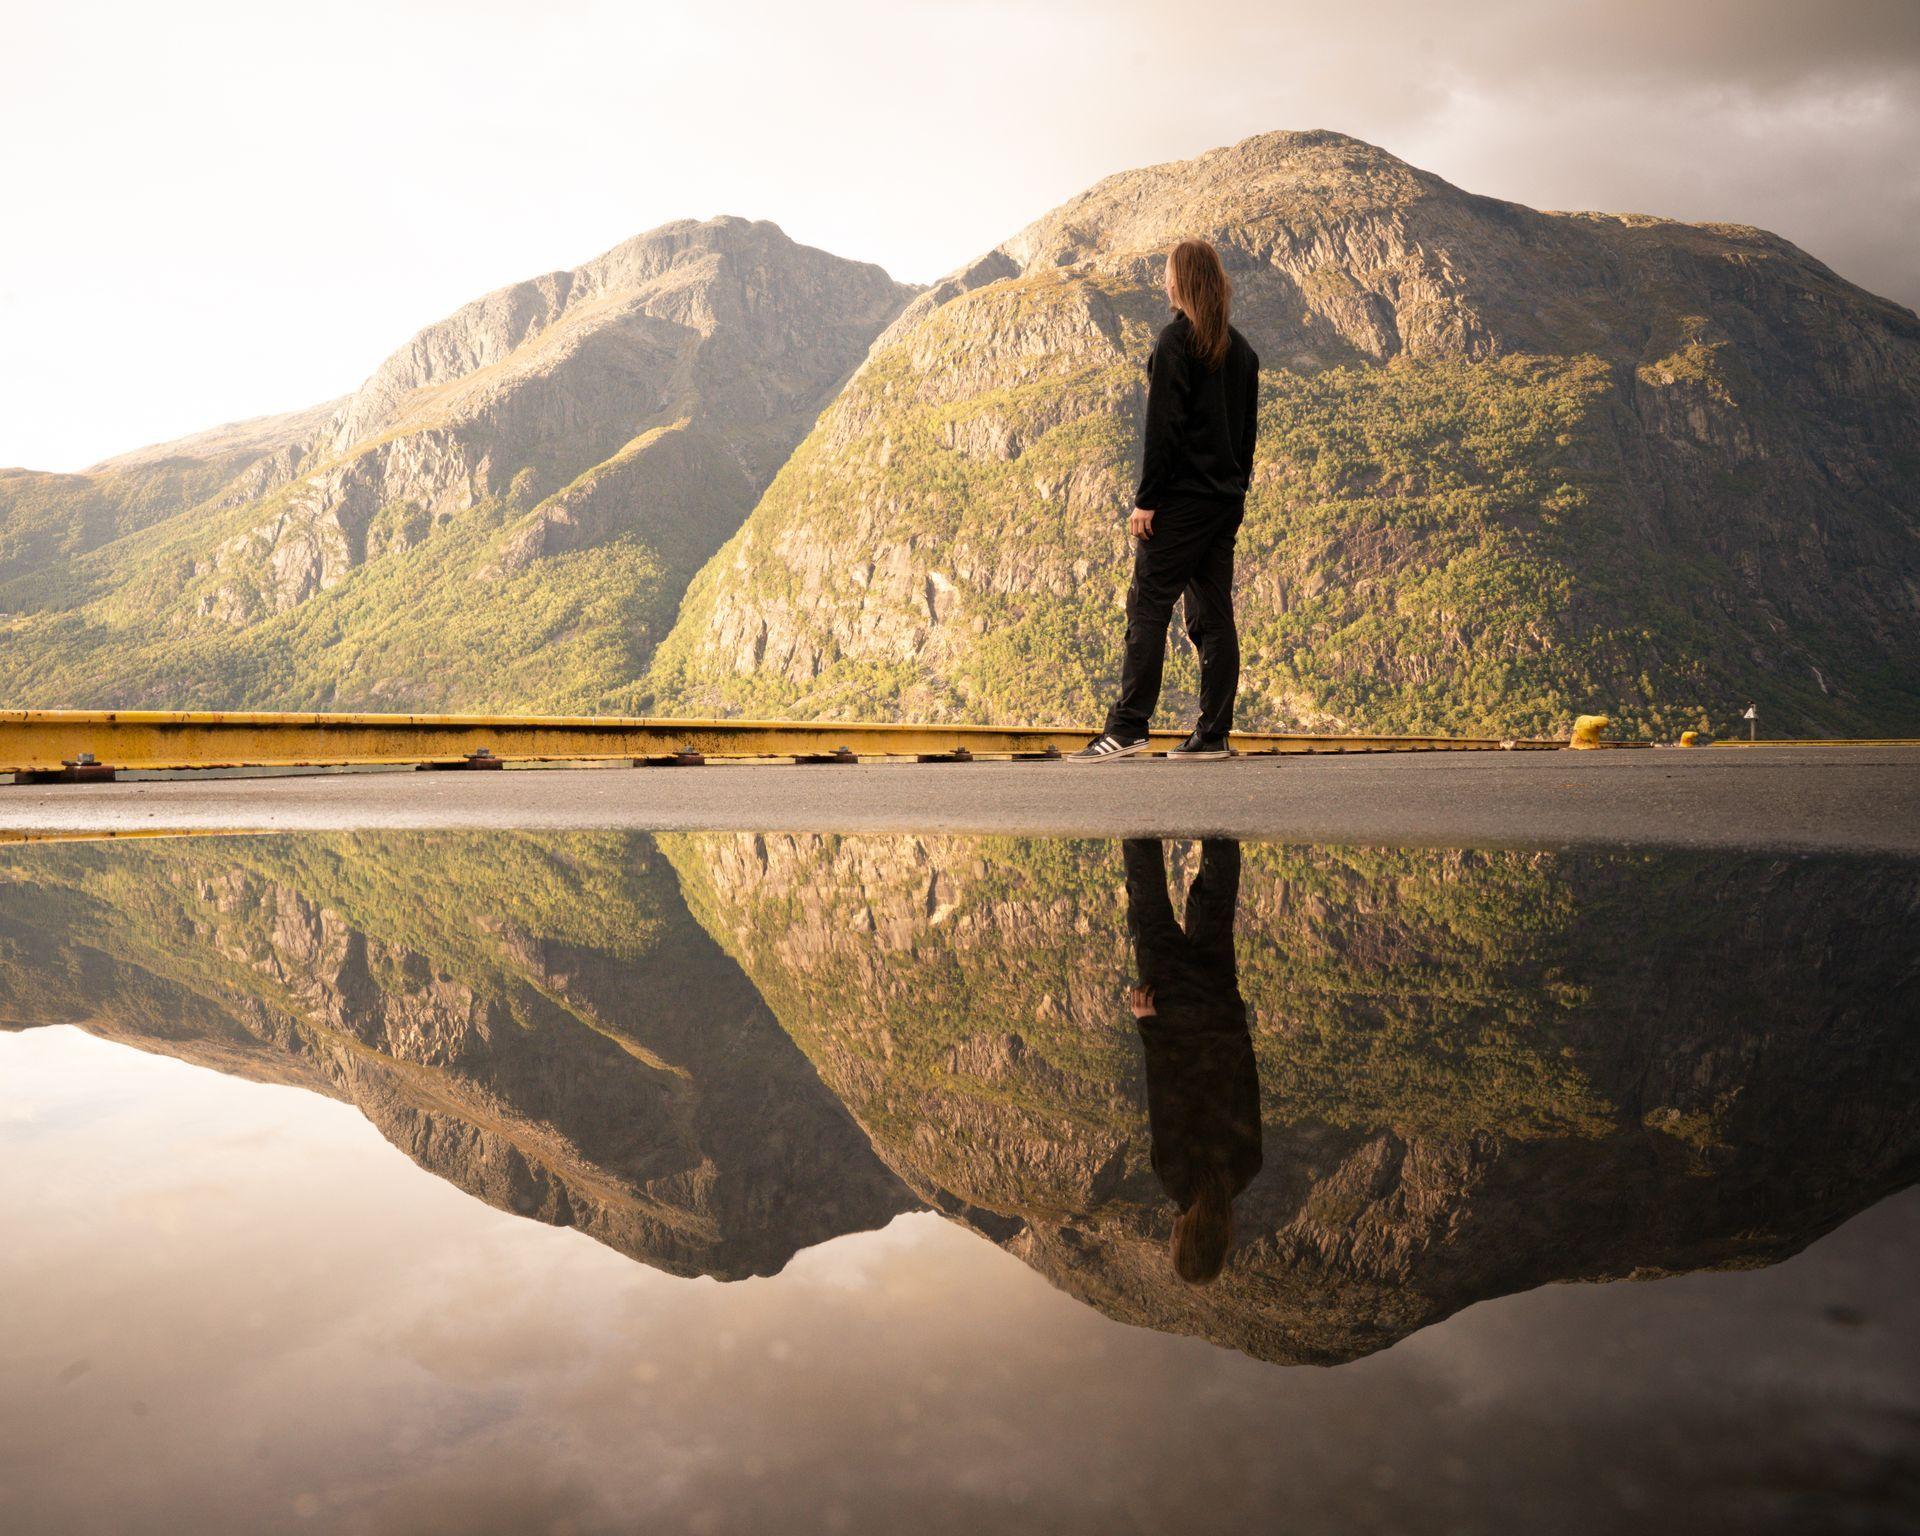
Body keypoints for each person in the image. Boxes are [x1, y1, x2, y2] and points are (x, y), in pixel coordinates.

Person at [1072, 240, 1260, 763]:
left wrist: (1146, 501)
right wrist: (1235, 494)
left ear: (1182, 282)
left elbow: (1164, 429)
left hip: (1180, 502)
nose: (1164, 283)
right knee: (1213, 615)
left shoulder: (1178, 341)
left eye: (1168, 275)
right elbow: (1246, 438)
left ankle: (1129, 727)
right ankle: (1214, 733)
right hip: (1223, 503)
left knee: (1148, 606)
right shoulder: (1243, 351)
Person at [1123, 838, 1262, 1284]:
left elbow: (1246, 1079)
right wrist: (1149, 1025)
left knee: (1215, 907)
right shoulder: (1176, 1179)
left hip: (1220, 1008)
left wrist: (1234, 1020)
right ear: (1185, 1238)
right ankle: (1136, 806)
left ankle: (1220, 808)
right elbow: (1167, 1091)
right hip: (1173, 1011)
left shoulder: (1245, 1167)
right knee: (1149, 906)